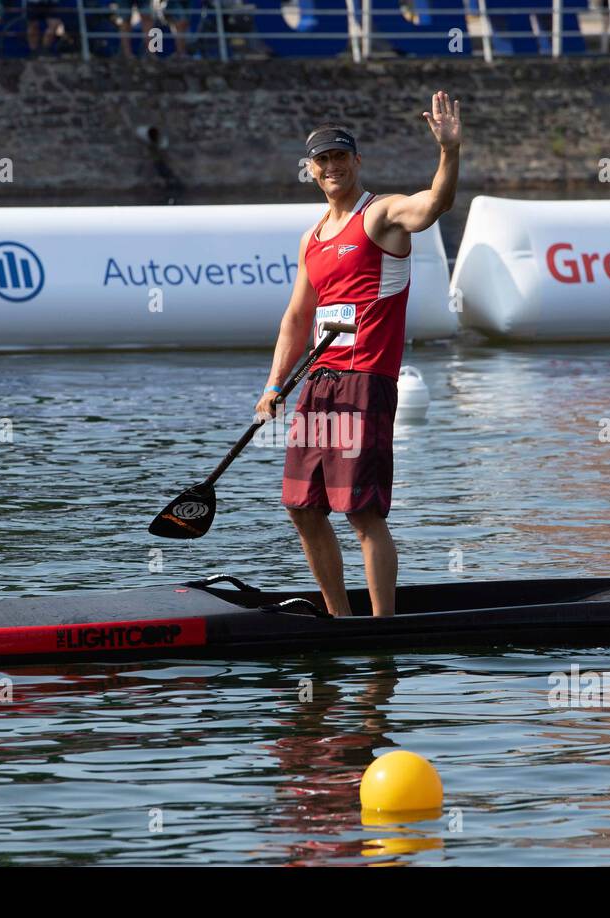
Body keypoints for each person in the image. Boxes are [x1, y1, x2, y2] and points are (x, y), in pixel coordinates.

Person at [254, 92, 461, 619]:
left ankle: (381, 627)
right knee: (302, 507)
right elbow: (296, 319)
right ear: (311, 169)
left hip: (366, 380)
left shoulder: (382, 215)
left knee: (361, 512)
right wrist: (275, 385)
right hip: (318, 384)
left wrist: (449, 151)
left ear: (356, 161)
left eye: (340, 157)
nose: (332, 166)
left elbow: (434, 205)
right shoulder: (312, 238)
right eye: (322, 160)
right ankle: (339, 620)